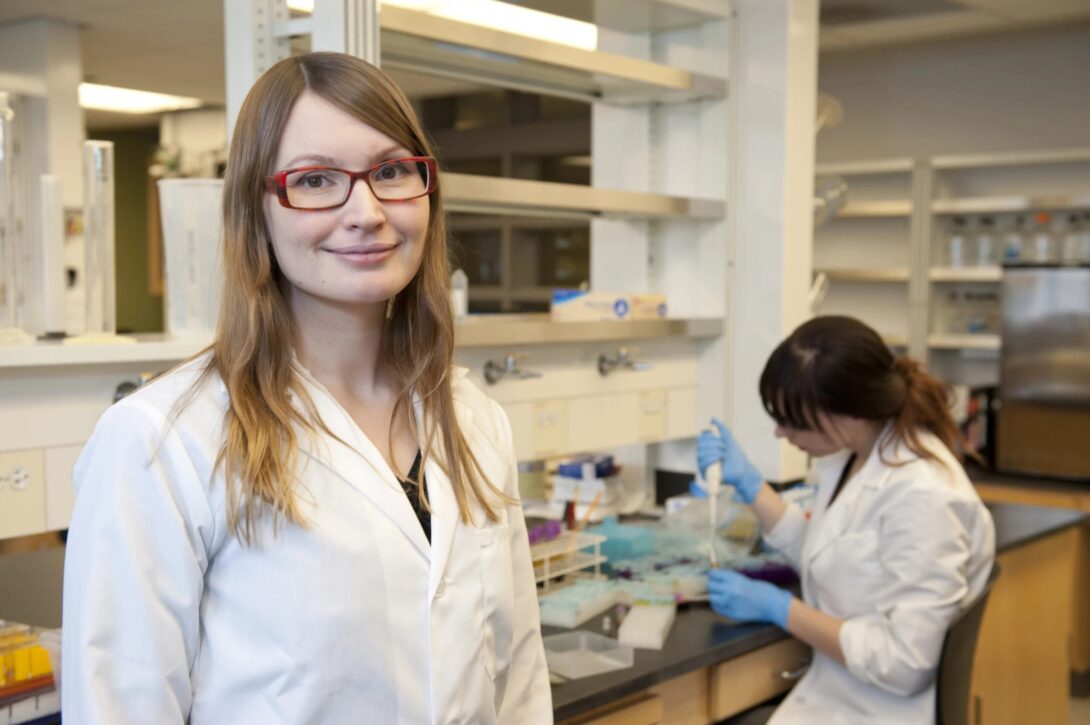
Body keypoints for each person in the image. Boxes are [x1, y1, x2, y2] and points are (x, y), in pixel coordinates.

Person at [62, 52, 552, 724]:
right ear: (255, 211)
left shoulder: (472, 418)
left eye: (390, 171)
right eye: (316, 179)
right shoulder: (161, 441)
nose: (367, 210)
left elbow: (519, 679)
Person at [696, 315, 995, 724]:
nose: (780, 434)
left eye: (794, 420)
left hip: (878, 710)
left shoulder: (922, 495)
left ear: (851, 412)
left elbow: (907, 662)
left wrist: (782, 609)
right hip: (835, 696)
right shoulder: (856, 453)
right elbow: (832, 553)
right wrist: (752, 486)